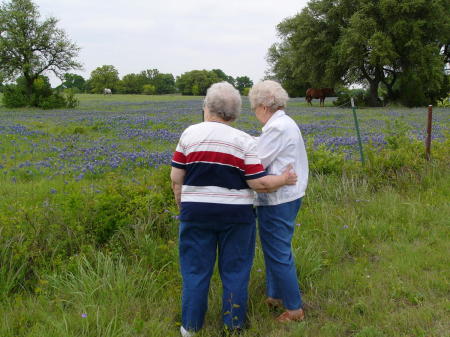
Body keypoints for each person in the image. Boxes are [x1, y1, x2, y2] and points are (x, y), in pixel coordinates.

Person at [170, 82, 297, 336]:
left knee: (195, 270)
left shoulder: (189, 134)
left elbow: (176, 178)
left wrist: (183, 206)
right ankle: (233, 325)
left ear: (207, 107)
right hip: (237, 218)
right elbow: (258, 183)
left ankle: (191, 328)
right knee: (235, 271)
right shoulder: (244, 141)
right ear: (236, 113)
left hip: (196, 214)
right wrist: (284, 180)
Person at [248, 80, 309, 322]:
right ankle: (274, 296)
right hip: (288, 196)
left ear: (263, 106)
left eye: (254, 108)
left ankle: (294, 309)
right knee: (275, 249)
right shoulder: (285, 123)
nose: (255, 113)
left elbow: (257, 161)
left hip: (277, 199)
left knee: (278, 251)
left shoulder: (276, 128)